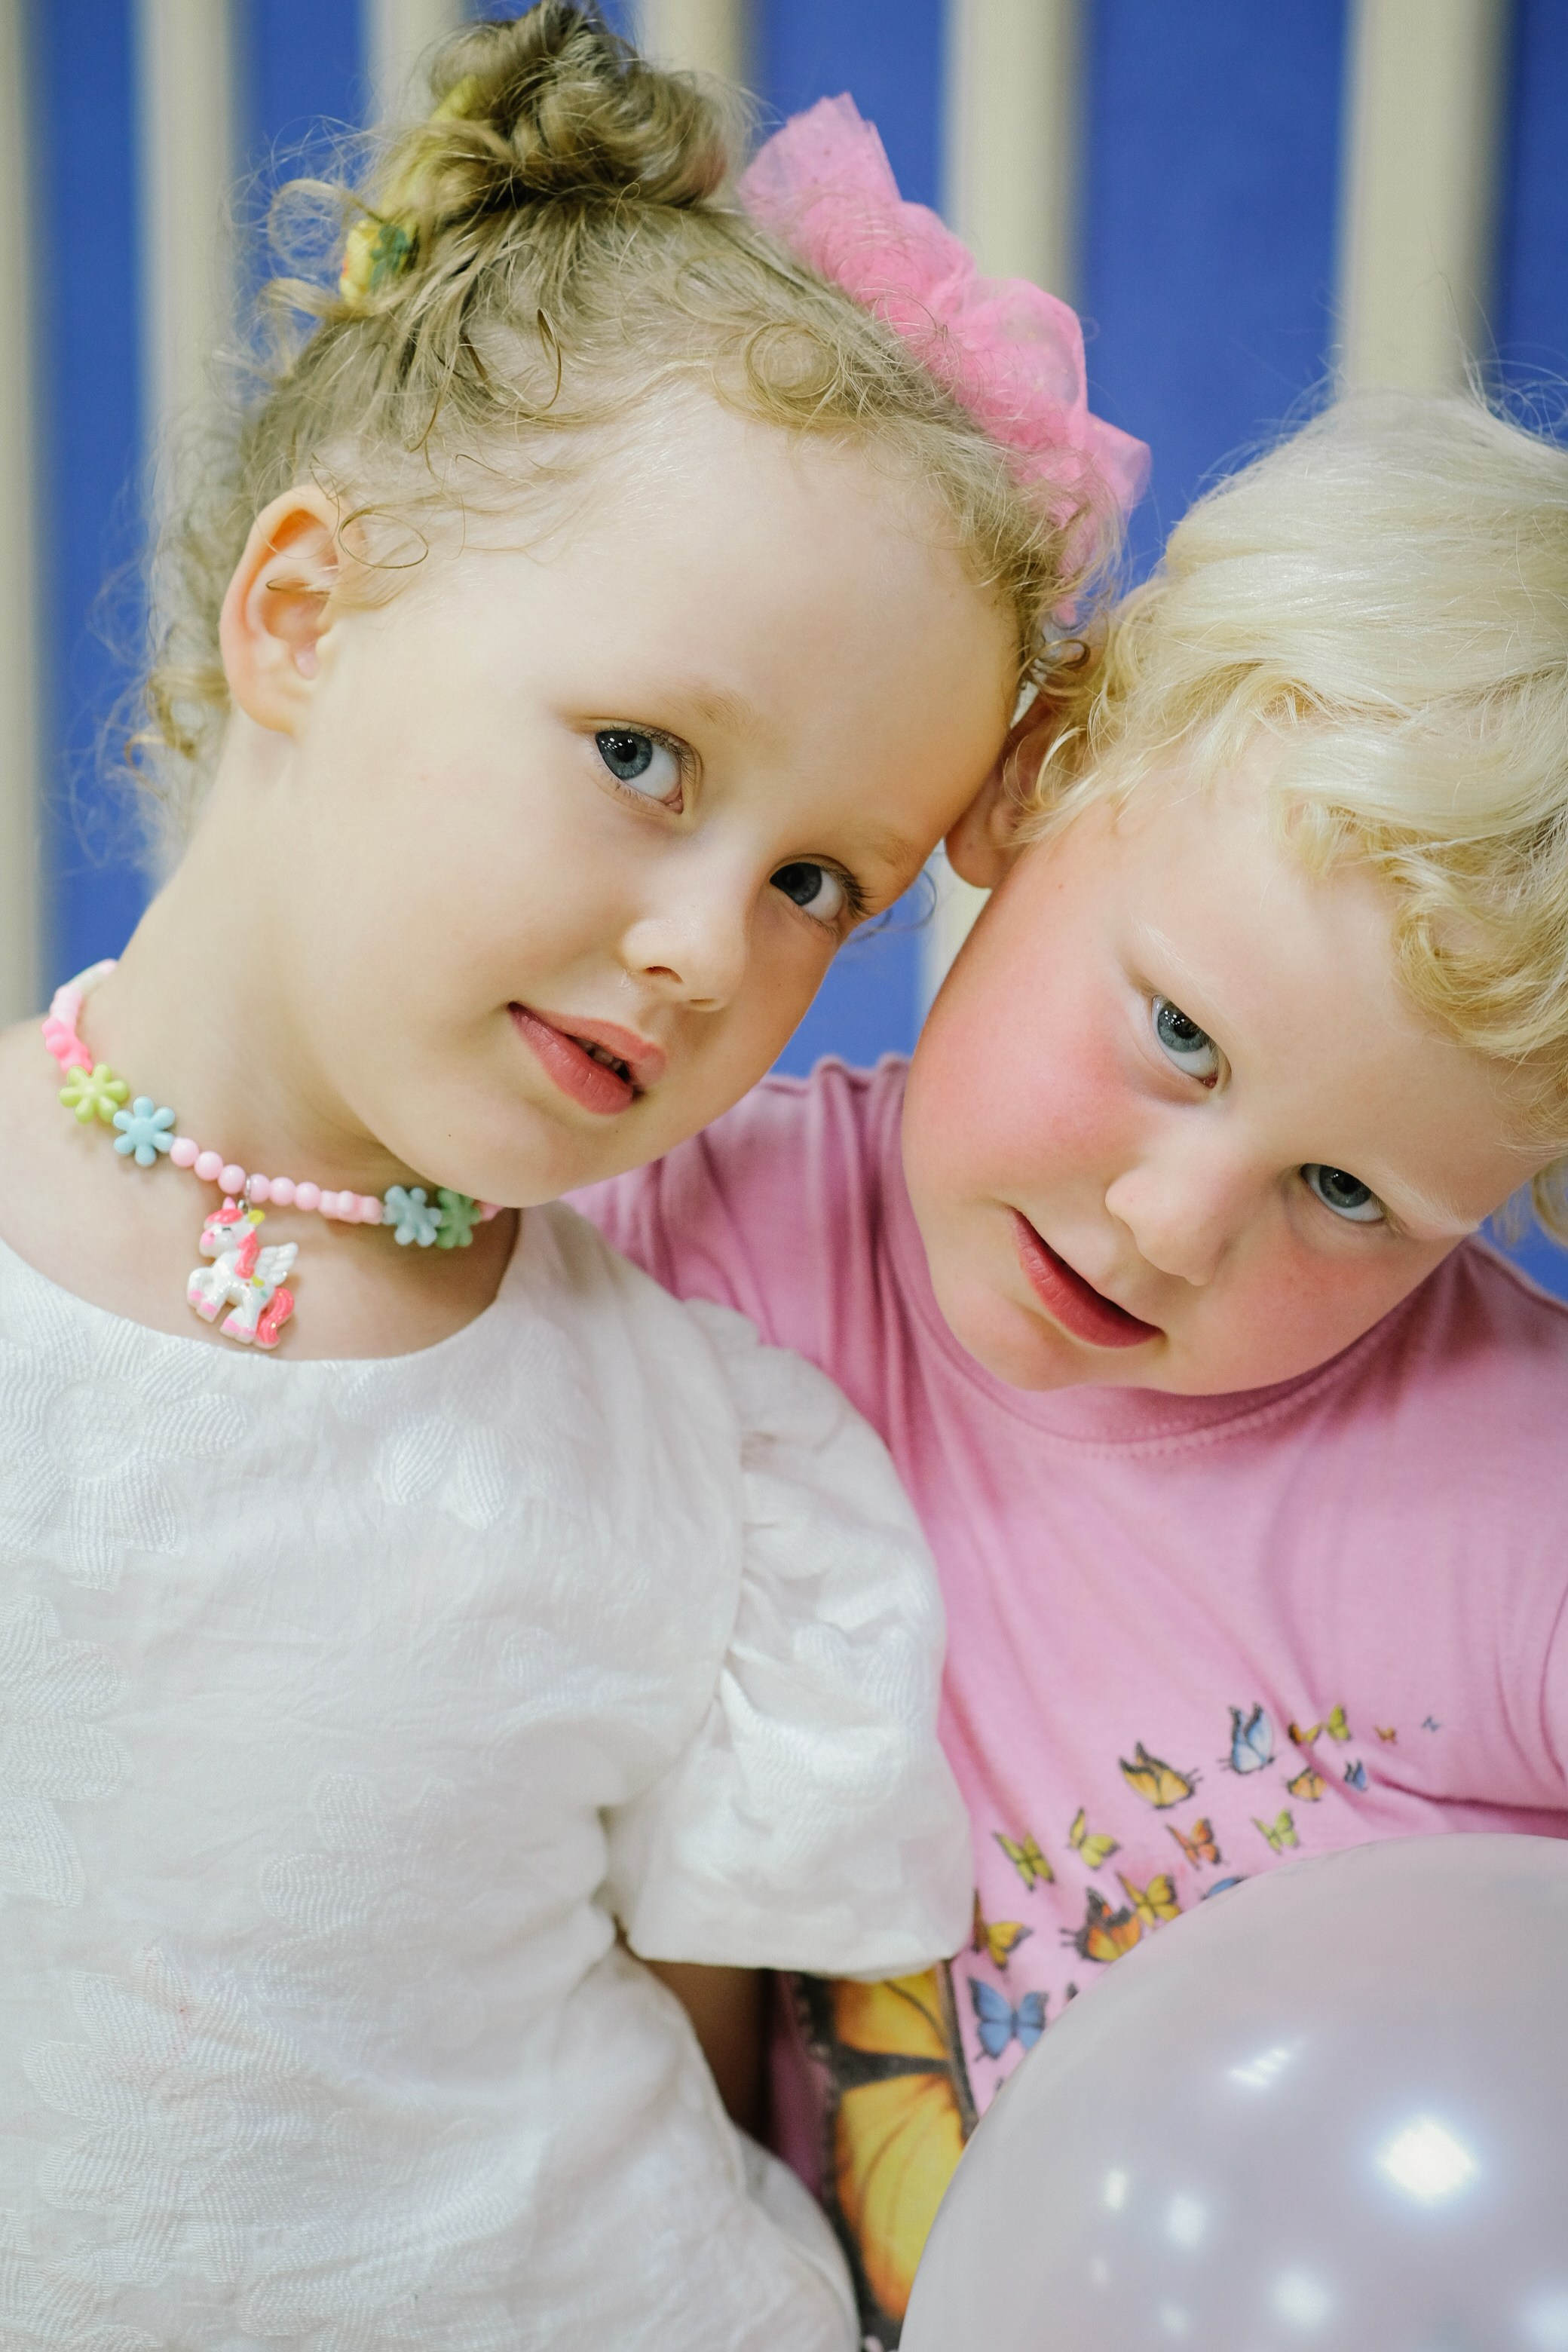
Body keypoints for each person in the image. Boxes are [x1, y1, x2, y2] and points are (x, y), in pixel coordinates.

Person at [0, 8, 1141, 2346]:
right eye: (642, 755)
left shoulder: (703, 1467)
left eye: (828, 880)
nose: (710, 948)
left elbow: (735, 2115)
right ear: (302, 617)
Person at [580, 390, 1568, 2344]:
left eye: (1352, 1192)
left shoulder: (1520, 1504)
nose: (1179, 1221)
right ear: (1037, 778)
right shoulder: (692, 1255)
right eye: (1184, 1035)